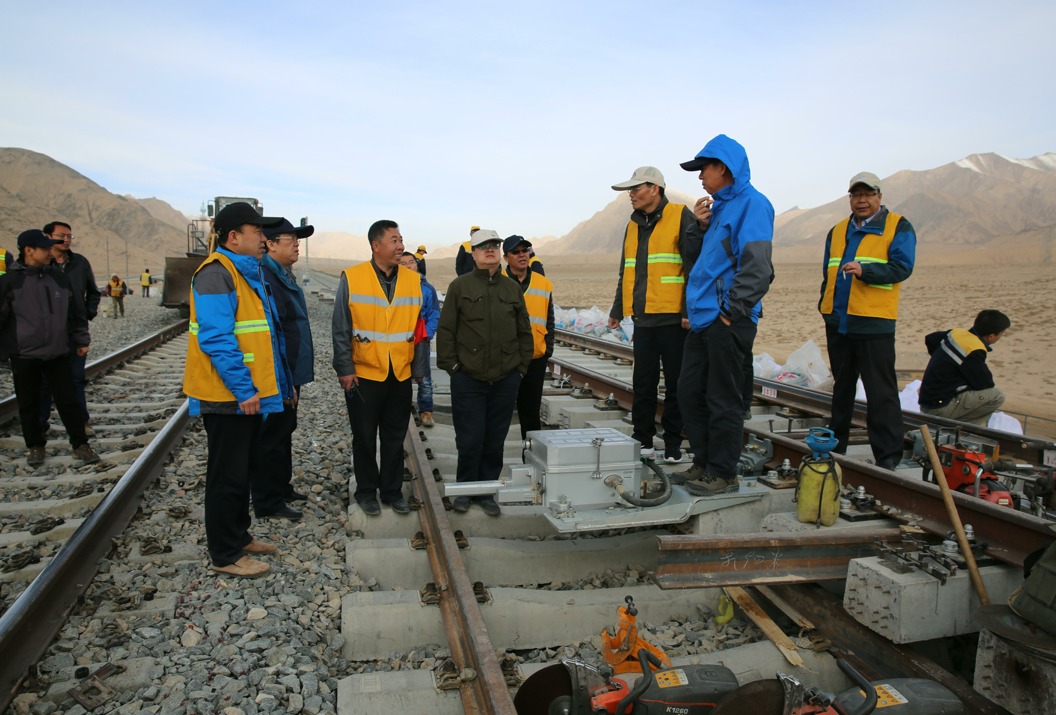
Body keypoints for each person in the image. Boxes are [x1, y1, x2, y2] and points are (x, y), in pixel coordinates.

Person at [182, 202, 293, 578]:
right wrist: (245, 390)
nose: (263, 238)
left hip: (243, 393)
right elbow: (217, 338)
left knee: (242, 470)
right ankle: (225, 553)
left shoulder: (243, 272)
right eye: (257, 232)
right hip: (226, 394)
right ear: (234, 237)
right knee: (227, 475)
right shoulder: (217, 273)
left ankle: (239, 534)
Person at [677, 135, 775, 494]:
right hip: (704, 320)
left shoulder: (753, 204)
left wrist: (732, 312)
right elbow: (696, 261)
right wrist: (698, 227)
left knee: (723, 398)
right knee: (690, 394)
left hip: (727, 320)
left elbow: (758, 266)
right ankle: (704, 462)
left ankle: (722, 471)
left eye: (704, 168)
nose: (700, 176)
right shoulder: (717, 209)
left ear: (723, 167)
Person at [819, 172, 916, 470]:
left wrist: (866, 271)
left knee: (880, 392)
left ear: (879, 196)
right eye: (856, 195)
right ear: (849, 198)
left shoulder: (898, 226)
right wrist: (825, 307)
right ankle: (835, 448)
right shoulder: (837, 230)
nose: (861, 200)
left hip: (874, 322)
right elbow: (828, 272)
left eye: (868, 194)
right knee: (842, 388)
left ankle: (887, 457)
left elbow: (902, 267)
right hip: (839, 322)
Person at [607, 166, 703, 462]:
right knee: (643, 382)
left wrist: (688, 310)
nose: (630, 195)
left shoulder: (680, 215)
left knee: (675, 384)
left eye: (635, 189)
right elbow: (628, 271)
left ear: (655, 189)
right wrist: (617, 309)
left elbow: (693, 266)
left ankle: (673, 441)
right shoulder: (632, 225)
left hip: (674, 319)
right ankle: (643, 438)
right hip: (643, 319)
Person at [332, 220, 427, 517]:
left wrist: (418, 368)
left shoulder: (413, 281)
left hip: (399, 372)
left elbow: (419, 329)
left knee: (394, 436)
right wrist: (345, 368)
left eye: (401, 240)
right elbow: (341, 327)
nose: (400, 246)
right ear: (376, 245)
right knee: (363, 435)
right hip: (363, 373)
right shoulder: (354, 277)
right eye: (394, 240)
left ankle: (391, 491)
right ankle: (365, 491)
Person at [437, 229, 533, 516]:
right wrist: (453, 368)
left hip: (505, 378)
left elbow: (524, 331)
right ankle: (466, 491)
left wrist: (520, 368)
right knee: (469, 438)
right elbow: (446, 330)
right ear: (474, 254)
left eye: (494, 245)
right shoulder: (460, 287)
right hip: (469, 377)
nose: (489, 250)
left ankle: (487, 492)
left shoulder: (511, 289)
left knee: (494, 438)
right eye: (483, 247)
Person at [0, 230, 99, 467]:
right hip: (24, 355)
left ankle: (80, 444)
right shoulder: (9, 282)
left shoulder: (58, 278)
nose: (50, 252)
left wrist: (82, 340)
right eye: (45, 248)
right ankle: (35, 447)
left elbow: (75, 313)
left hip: (58, 352)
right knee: (29, 403)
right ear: (29, 251)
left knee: (68, 401)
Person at [249, 218, 317, 521]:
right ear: (271, 244)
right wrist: (283, 377)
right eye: (291, 239)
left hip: (290, 370)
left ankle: (281, 486)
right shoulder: (267, 278)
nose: (297, 245)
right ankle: (267, 500)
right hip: (280, 373)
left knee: (285, 430)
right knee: (272, 436)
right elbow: (273, 332)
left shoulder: (282, 275)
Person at [40, 221, 100, 436]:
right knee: (45, 381)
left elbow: (93, 292)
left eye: (69, 236)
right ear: (47, 237)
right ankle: (40, 425)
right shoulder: (41, 263)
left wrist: (87, 313)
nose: (66, 240)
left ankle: (81, 423)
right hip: (46, 334)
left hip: (75, 330)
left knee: (75, 378)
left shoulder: (80, 263)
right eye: (61, 236)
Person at [919, 310, 1010, 426]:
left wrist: (945, 364)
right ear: (991, 336)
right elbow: (985, 383)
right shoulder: (973, 349)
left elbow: (930, 339)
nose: (1001, 337)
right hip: (937, 408)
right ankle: (962, 429)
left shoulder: (956, 333)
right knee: (997, 396)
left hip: (927, 399)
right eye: (1002, 334)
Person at [503, 235, 554, 442]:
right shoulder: (498, 282)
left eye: (525, 250)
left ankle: (531, 459)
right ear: (506, 258)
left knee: (531, 414)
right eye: (516, 252)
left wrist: (547, 349)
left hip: (535, 358)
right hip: (506, 359)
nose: (522, 255)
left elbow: (549, 318)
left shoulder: (543, 283)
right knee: (501, 413)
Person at [398, 251, 440, 427]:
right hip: (399, 339)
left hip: (420, 338)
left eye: (411, 262)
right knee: (400, 377)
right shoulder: (395, 286)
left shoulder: (427, 288)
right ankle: (400, 411)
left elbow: (434, 313)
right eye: (403, 263)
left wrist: (427, 334)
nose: (408, 266)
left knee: (424, 378)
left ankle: (426, 412)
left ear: (416, 264)